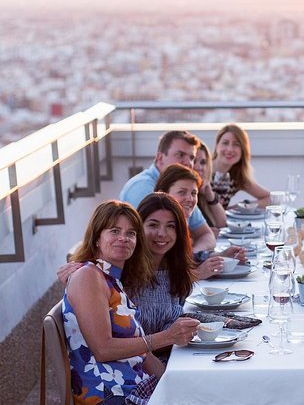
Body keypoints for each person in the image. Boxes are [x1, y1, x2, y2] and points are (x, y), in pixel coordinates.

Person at [62, 200, 199, 404]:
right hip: (111, 393)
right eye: (114, 231)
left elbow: (145, 354)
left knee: (205, 390)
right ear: (97, 238)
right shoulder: (88, 276)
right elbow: (103, 349)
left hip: (135, 384)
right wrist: (167, 337)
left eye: (131, 233)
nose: (123, 238)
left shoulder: (112, 279)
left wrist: (176, 385)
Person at [133, 193, 261, 360]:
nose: (162, 233)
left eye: (170, 226)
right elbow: (129, 341)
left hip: (174, 354)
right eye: (153, 225)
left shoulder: (173, 266)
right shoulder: (129, 273)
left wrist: (224, 321)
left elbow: (172, 321)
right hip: (143, 365)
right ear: (138, 227)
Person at [119, 130, 216, 252]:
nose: (188, 163)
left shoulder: (185, 191)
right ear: (160, 158)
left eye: (191, 158)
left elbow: (206, 235)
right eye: (180, 155)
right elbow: (156, 243)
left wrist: (195, 253)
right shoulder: (142, 187)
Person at [154, 164, 247, 279]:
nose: (190, 199)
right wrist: (197, 274)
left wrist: (220, 256)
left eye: (194, 193)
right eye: (182, 192)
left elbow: (184, 259)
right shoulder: (158, 225)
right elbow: (156, 281)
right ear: (162, 193)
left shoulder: (179, 220)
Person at [211, 124, 270, 209]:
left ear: (243, 150)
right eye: (225, 143)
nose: (230, 149)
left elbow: (271, 199)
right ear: (217, 146)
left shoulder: (237, 177)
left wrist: (238, 207)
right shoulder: (202, 169)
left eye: (236, 144)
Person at [193, 142, 227, 235]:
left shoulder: (203, 191)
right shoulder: (184, 194)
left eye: (203, 162)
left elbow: (222, 224)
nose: (198, 167)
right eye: (193, 161)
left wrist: (210, 195)